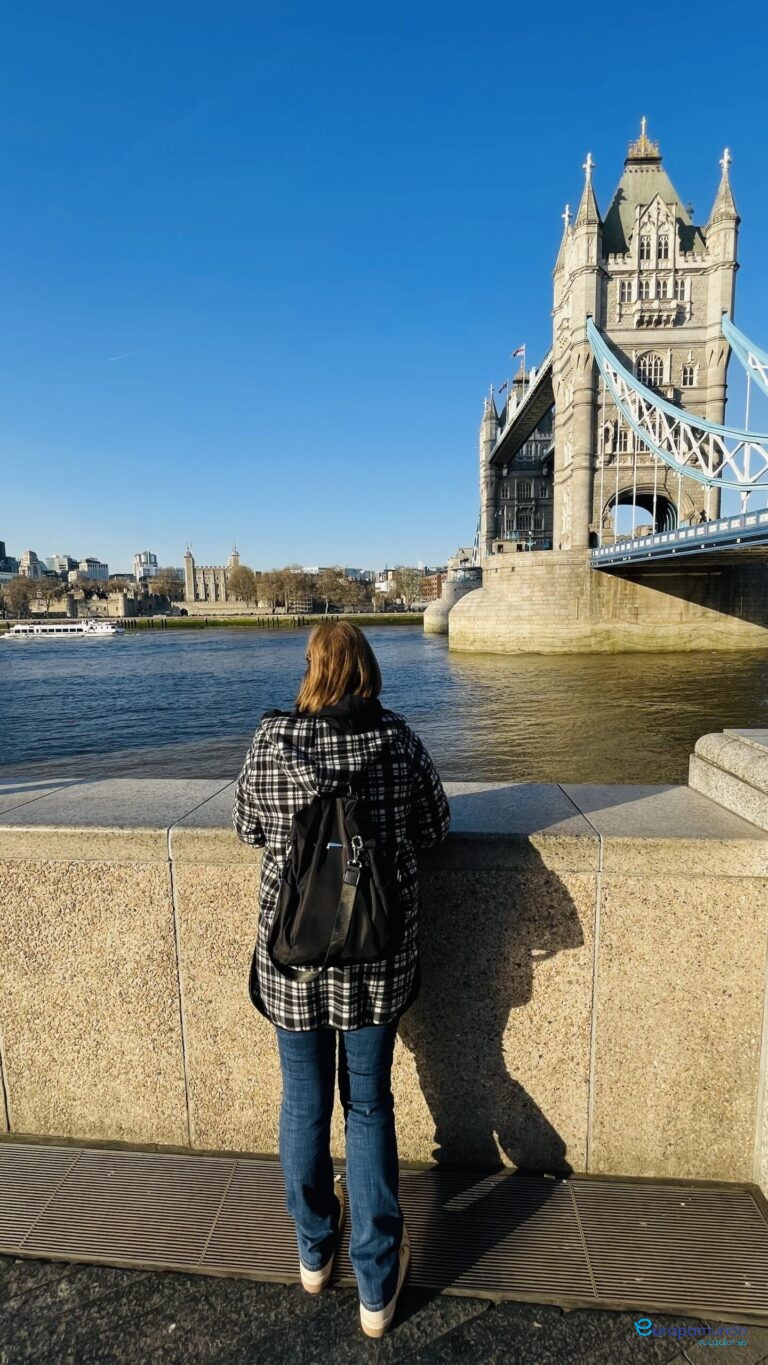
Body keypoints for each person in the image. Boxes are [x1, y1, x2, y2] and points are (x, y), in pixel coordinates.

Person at [233, 622, 450, 1337]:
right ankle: (377, 1284)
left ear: (312, 670)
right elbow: (435, 826)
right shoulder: (398, 743)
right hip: (377, 961)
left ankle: (313, 1250)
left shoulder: (272, 743)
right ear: (366, 668)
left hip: (294, 961)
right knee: (369, 1104)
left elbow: (248, 828)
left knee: (303, 1101)